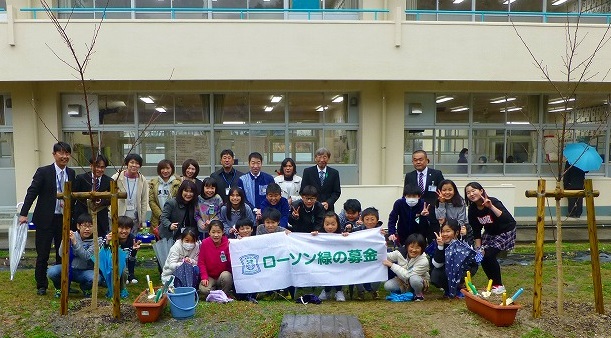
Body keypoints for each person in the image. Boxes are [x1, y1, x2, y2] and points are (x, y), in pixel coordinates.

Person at [19, 141, 76, 295]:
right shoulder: (43, 172)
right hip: (45, 218)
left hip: (63, 219)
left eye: (67, 153)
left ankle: (61, 283)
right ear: (54, 155)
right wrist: (24, 213)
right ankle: (41, 285)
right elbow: (32, 192)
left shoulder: (71, 173)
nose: (64, 156)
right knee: (42, 253)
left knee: (62, 252)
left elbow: (73, 196)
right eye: (61, 153)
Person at [465, 182, 516, 295]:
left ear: (481, 191)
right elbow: (476, 230)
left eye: (474, 190)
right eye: (468, 192)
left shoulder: (493, 201)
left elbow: (507, 218)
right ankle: (492, 284)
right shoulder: (472, 210)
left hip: (505, 230)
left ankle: (499, 285)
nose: (471, 194)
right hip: (490, 233)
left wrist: (491, 207)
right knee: (482, 256)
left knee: (489, 255)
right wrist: (478, 248)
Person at [47, 213, 102, 298]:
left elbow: (86, 256)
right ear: (78, 226)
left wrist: (75, 243)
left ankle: (85, 288)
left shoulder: (97, 240)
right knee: (52, 272)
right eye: (84, 226)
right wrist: (64, 240)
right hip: (68, 268)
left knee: (96, 278)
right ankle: (59, 288)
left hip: (85, 271)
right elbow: (61, 254)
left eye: (90, 226)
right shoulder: (72, 235)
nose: (87, 229)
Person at [430, 219, 478, 299]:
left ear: (456, 233)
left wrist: (465, 238)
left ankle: (459, 287)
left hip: (462, 270)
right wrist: (440, 247)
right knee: (435, 275)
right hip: (446, 270)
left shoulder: (461, 242)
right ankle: (447, 289)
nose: (445, 234)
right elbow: (437, 265)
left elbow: (474, 258)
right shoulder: (439, 243)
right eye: (443, 231)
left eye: (448, 231)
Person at [403, 150, 444, 234]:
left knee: (433, 240)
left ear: (427, 160)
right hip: (416, 213)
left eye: (421, 159)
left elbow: (442, 192)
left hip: (433, 214)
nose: (418, 162)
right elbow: (405, 194)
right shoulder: (409, 176)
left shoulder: (436, 174)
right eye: (415, 160)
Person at [72, 154, 111, 237]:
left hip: (100, 220)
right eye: (97, 166)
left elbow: (111, 199)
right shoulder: (81, 178)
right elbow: (73, 197)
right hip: (83, 217)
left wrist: (102, 201)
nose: (99, 169)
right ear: (91, 166)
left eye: (102, 167)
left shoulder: (109, 181)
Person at [383, 233, 430, 302]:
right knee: (388, 285)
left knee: (414, 279)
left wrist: (392, 265)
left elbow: (408, 275)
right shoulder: (400, 253)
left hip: (418, 281)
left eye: (417, 247)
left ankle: (418, 294)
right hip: (403, 281)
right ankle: (405, 293)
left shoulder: (424, 261)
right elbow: (386, 257)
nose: (414, 250)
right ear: (407, 246)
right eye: (412, 247)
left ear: (422, 249)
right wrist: (383, 248)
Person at [313, 211, 348, 302]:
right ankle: (326, 290)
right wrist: (313, 236)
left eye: (333, 224)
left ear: (338, 224)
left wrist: (346, 236)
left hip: (339, 261)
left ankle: (339, 291)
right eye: (327, 224)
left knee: (338, 273)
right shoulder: (319, 235)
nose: (330, 227)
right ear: (323, 224)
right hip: (326, 260)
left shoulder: (341, 234)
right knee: (326, 272)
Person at [112, 153, 148, 235]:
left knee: (132, 241)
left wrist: (142, 220)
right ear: (126, 164)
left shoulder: (143, 180)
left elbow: (144, 201)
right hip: (118, 216)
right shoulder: (116, 178)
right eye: (132, 162)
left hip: (134, 217)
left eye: (137, 163)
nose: (134, 165)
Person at [352, 207, 383, 300]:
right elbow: (349, 235)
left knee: (381, 267)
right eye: (367, 219)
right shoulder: (357, 230)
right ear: (362, 219)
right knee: (354, 267)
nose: (370, 222)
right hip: (360, 257)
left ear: (377, 220)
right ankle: (360, 291)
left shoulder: (380, 232)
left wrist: (383, 237)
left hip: (373, 257)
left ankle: (374, 290)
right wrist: (347, 232)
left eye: (372, 219)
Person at [198, 220, 233, 298]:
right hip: (210, 276)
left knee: (227, 276)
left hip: (222, 275)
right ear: (209, 232)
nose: (216, 235)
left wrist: (228, 250)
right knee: (203, 289)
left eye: (218, 232)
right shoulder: (205, 243)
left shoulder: (228, 243)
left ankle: (223, 294)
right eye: (213, 232)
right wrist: (204, 277)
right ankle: (215, 291)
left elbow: (231, 262)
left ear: (223, 232)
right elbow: (201, 262)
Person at [104, 216, 141, 286]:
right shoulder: (110, 237)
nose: (124, 231)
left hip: (125, 262)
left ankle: (130, 274)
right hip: (111, 264)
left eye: (127, 228)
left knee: (132, 258)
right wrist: (107, 242)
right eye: (121, 228)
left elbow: (131, 258)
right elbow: (103, 254)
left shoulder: (132, 239)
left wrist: (134, 250)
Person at [435, 179, 473, 247]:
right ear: (440, 191)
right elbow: (441, 219)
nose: (447, 192)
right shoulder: (438, 203)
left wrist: (454, 233)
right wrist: (442, 203)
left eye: (450, 190)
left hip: (461, 227)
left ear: (454, 191)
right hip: (445, 229)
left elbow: (461, 220)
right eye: (444, 190)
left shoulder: (460, 201)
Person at [149, 159, 181, 239]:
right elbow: (151, 201)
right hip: (158, 218)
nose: (165, 171)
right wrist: (161, 215)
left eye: (168, 168)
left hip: (173, 218)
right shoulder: (154, 183)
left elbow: (179, 200)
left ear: (172, 169)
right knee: (160, 242)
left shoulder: (177, 183)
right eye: (163, 168)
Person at [233, 218, 258, 303]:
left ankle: (252, 296)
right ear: (238, 230)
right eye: (242, 229)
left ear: (252, 229)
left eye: (247, 228)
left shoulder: (257, 240)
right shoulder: (234, 242)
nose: (245, 231)